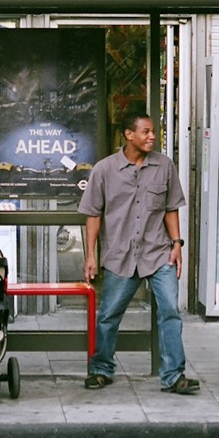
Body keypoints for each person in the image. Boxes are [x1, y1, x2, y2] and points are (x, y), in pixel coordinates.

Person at [79, 109, 200, 395]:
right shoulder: (105, 170)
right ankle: (101, 369)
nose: (152, 136)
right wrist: (91, 255)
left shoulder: (164, 166)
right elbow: (93, 215)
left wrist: (178, 244)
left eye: (153, 131)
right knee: (108, 315)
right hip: (120, 255)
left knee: (170, 311)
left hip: (158, 253)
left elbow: (171, 209)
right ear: (128, 134)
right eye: (145, 131)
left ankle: (173, 375)